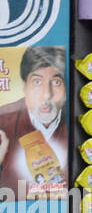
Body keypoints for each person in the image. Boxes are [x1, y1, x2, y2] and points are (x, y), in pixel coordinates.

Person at [0, 46, 69, 195]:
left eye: (56, 82)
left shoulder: (81, 122)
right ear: (24, 87)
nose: (46, 95)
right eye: (37, 82)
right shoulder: (3, 121)